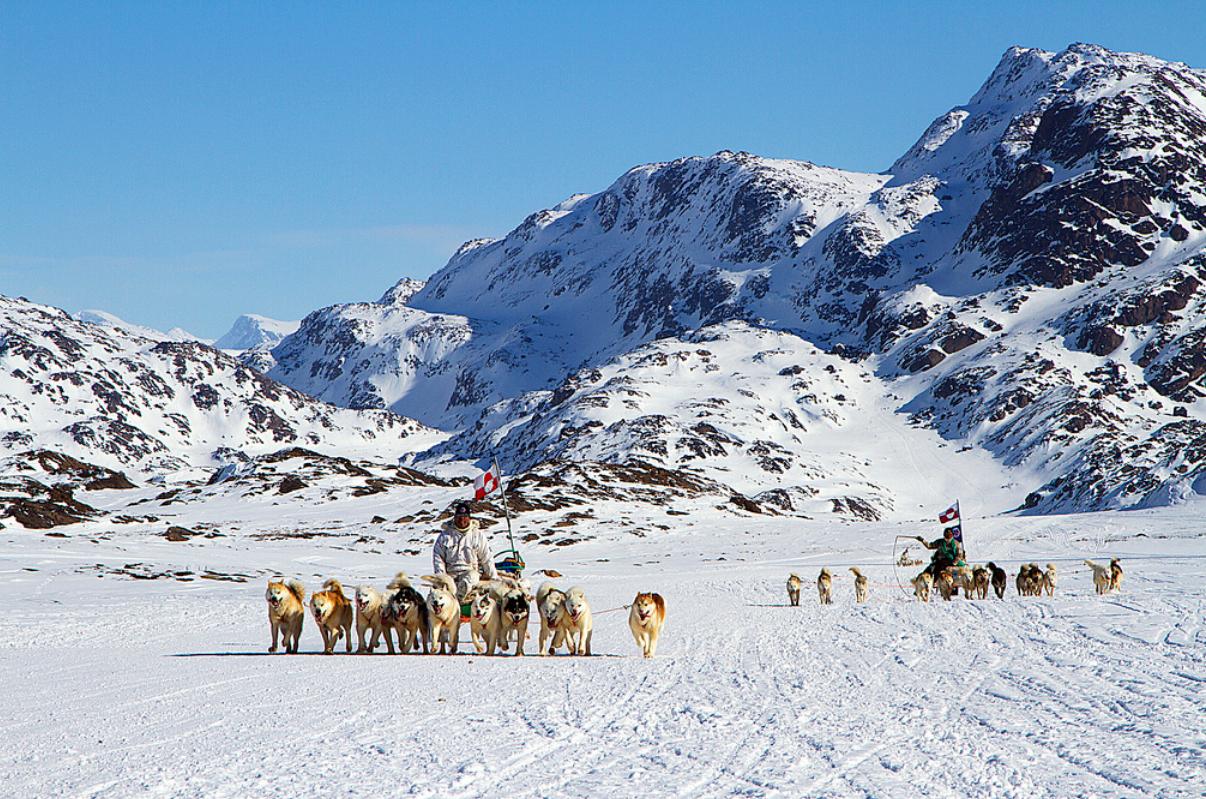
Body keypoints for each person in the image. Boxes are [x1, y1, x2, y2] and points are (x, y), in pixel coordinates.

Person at [433, 500, 497, 602]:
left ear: (469, 518)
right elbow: (438, 558)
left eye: (465, 517)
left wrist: (493, 578)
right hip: (450, 574)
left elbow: (486, 558)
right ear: (455, 518)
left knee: (474, 576)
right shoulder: (445, 536)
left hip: (469, 572)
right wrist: (442, 578)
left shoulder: (477, 535)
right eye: (459, 517)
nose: (462, 520)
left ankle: (459, 597)